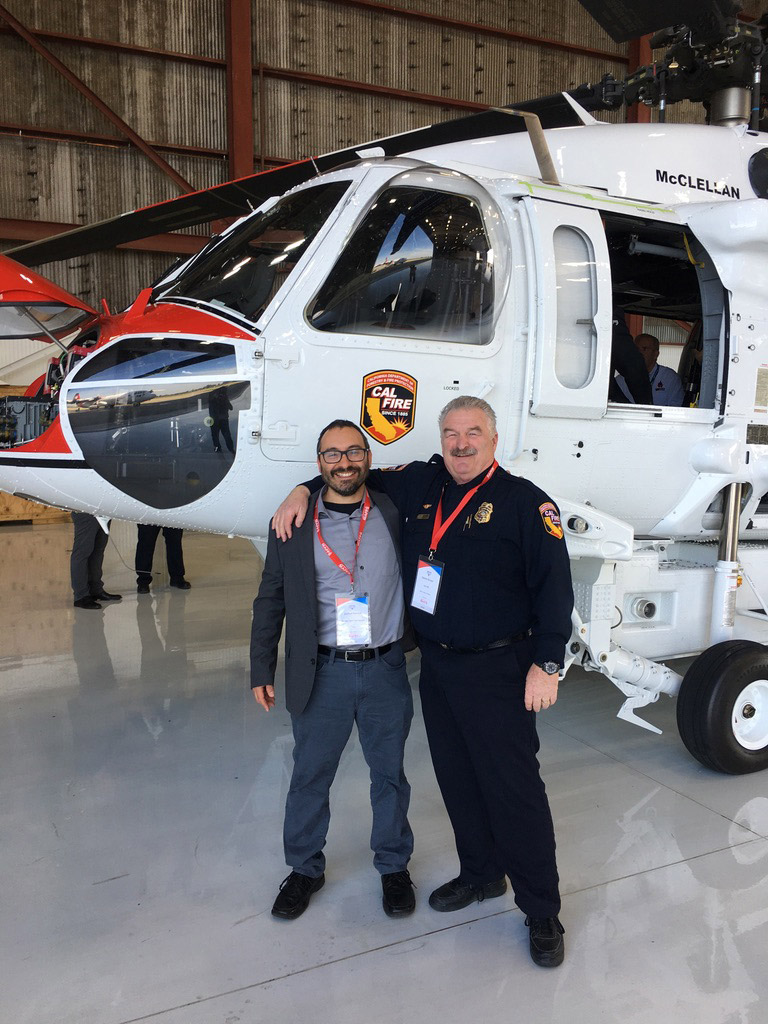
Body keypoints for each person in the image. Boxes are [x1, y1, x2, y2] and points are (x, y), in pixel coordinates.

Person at [274, 397, 574, 968]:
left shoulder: (526, 503)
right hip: (437, 667)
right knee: (459, 781)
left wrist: (548, 663)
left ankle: (542, 911)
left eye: (473, 433)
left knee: (514, 793)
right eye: (451, 433)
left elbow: (555, 591)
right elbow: (349, 472)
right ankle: (482, 875)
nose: (461, 444)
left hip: (500, 671)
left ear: (493, 437)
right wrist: (300, 489)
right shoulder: (419, 484)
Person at [250, 419, 416, 921]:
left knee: (389, 775)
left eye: (353, 452)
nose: (343, 462)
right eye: (331, 455)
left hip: (385, 669)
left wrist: (299, 488)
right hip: (323, 672)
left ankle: (393, 866)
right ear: (318, 463)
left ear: (368, 458)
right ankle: (304, 868)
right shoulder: (293, 525)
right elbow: (270, 597)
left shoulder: (392, 509)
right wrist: (261, 666)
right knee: (310, 775)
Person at [70, 511, 122, 610]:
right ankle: (81, 596)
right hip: (85, 509)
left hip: (104, 510)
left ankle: (95, 590)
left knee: (98, 551)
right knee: (82, 553)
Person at [616, 333, 685, 407]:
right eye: (636, 349)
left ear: (656, 354)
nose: (639, 353)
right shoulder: (621, 380)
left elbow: (676, 410)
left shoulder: (670, 378)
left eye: (644, 349)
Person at [135, 525, 190, 593]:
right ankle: (143, 581)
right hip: (149, 515)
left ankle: (177, 578)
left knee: (175, 542)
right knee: (146, 543)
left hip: (171, 515)